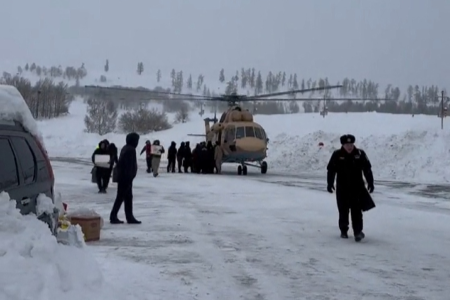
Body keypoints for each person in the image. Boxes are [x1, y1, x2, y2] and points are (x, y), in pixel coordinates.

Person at [326, 134, 374, 242]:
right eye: (347, 144)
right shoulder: (337, 155)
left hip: (357, 188)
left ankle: (358, 232)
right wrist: (330, 183)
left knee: (357, 211)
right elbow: (331, 170)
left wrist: (370, 183)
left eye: (351, 144)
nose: (349, 146)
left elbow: (367, 169)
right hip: (342, 188)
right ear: (343, 145)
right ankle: (344, 231)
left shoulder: (360, 154)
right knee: (343, 210)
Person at [110, 132, 141, 224]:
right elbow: (128, 166)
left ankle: (129, 216)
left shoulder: (126, 148)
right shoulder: (130, 150)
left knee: (127, 198)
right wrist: (129, 178)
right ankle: (114, 216)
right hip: (126, 178)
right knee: (121, 197)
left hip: (124, 178)